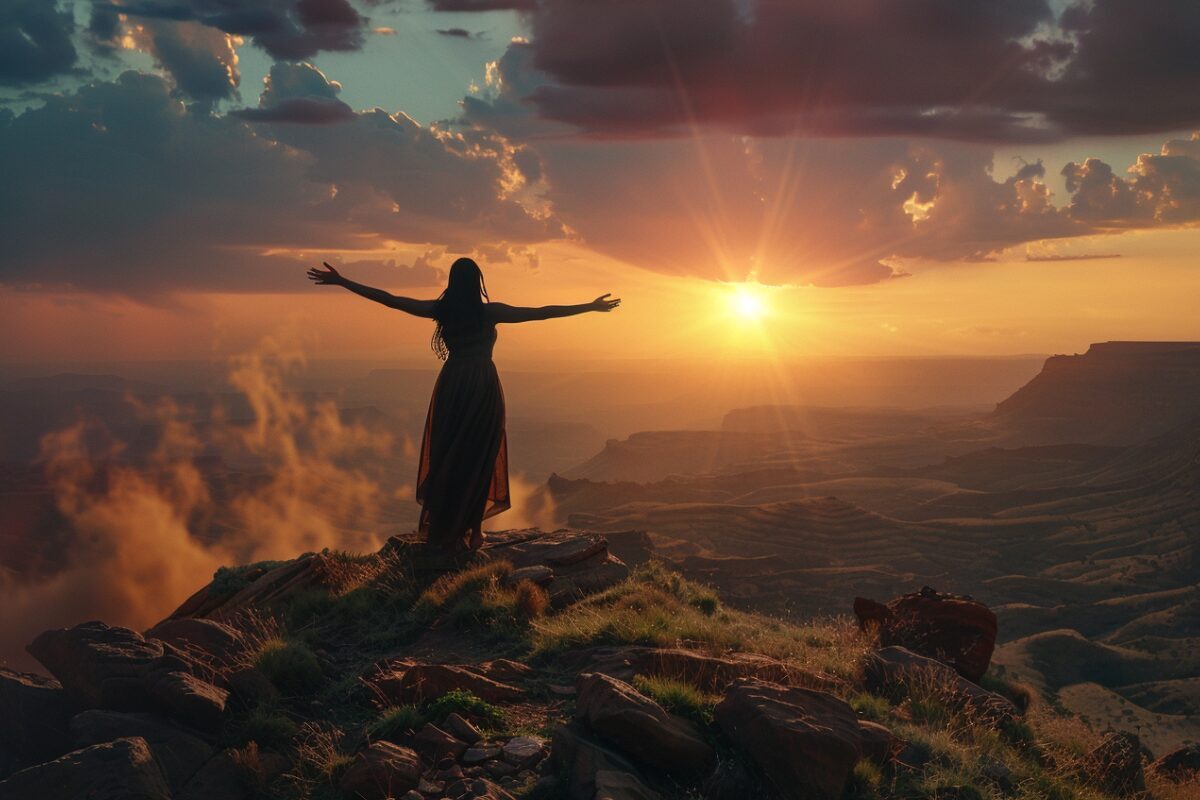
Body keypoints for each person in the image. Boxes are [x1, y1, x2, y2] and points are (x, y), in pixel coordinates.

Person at [307, 257, 620, 551]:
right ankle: (474, 530)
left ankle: (450, 526)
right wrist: (589, 307)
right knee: (480, 453)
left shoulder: (442, 311)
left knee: (450, 454)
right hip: (482, 387)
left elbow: (390, 299)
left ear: (453, 282)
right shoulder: (489, 313)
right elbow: (541, 311)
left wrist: (342, 281)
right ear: (477, 283)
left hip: (452, 388)